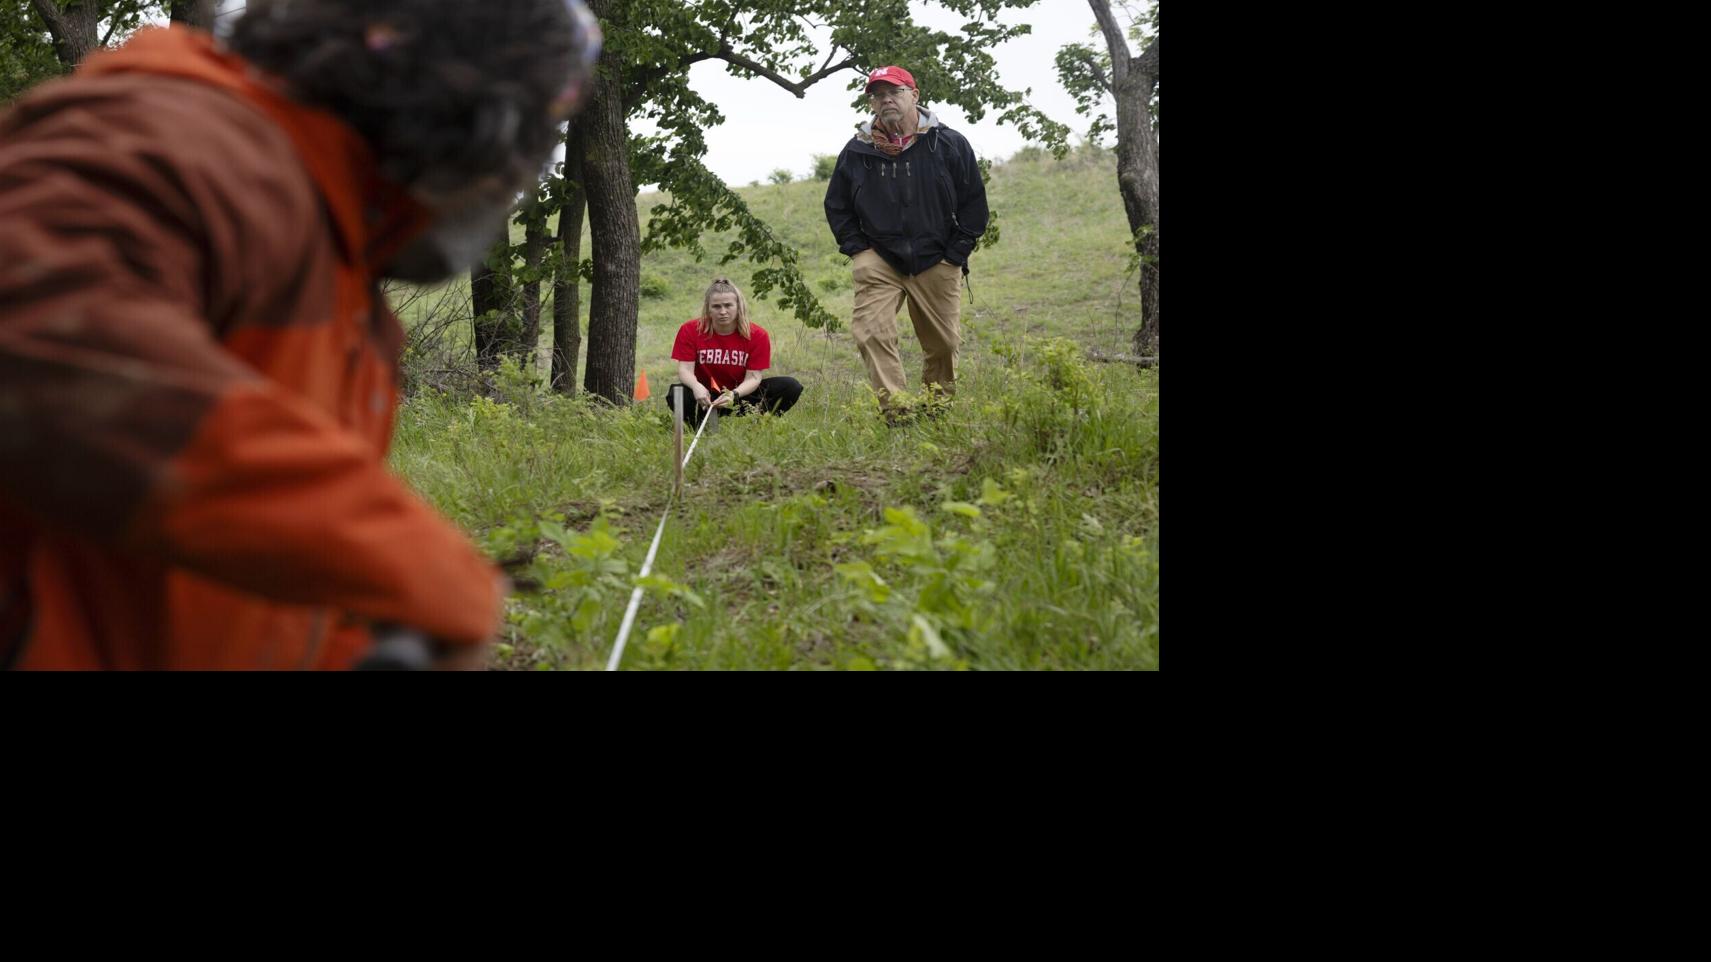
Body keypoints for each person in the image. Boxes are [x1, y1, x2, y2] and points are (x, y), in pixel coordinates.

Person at [0, 0, 601, 669]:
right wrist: (408, 563)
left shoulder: (337, 262)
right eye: (530, 149)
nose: (514, 186)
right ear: (473, 119)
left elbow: (234, 547)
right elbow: (40, 348)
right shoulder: (184, 140)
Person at [822, 65, 988, 422]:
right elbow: (837, 205)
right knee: (870, 333)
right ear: (872, 104)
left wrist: (955, 254)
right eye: (878, 95)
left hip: (937, 257)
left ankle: (936, 410)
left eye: (893, 92)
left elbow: (974, 202)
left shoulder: (948, 143)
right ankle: (898, 413)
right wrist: (859, 250)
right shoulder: (857, 150)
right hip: (879, 258)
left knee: (944, 343)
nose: (886, 100)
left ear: (914, 95)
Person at [664, 277, 803, 429]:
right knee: (677, 393)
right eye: (716, 306)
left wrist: (733, 394)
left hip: (738, 394)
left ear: (738, 306)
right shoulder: (690, 330)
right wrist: (696, 386)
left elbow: (754, 378)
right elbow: (684, 370)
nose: (723, 311)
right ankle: (694, 428)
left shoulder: (757, 335)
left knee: (790, 386)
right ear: (708, 308)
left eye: (728, 305)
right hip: (704, 395)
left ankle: (758, 425)